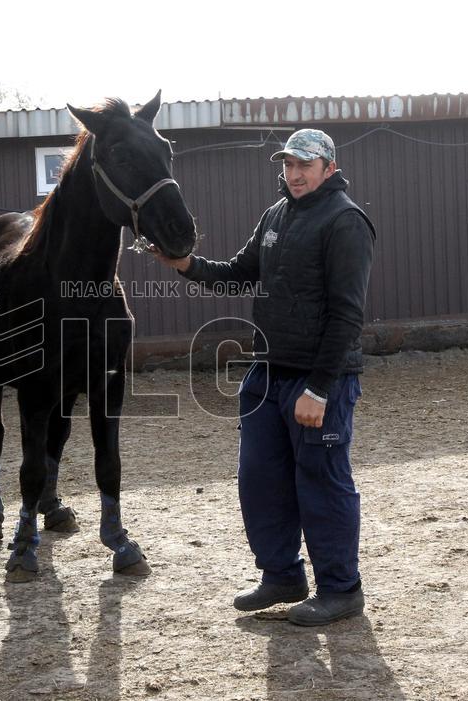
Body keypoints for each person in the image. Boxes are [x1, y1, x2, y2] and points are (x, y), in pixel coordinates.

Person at [152, 128, 376, 626]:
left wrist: (319, 388)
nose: (294, 174)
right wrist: (184, 264)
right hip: (266, 373)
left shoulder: (346, 222)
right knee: (260, 480)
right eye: (288, 165)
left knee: (321, 481)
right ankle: (282, 576)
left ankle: (341, 589)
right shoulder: (275, 216)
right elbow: (238, 271)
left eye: (305, 165)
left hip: (319, 381)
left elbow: (347, 316)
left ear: (329, 170)